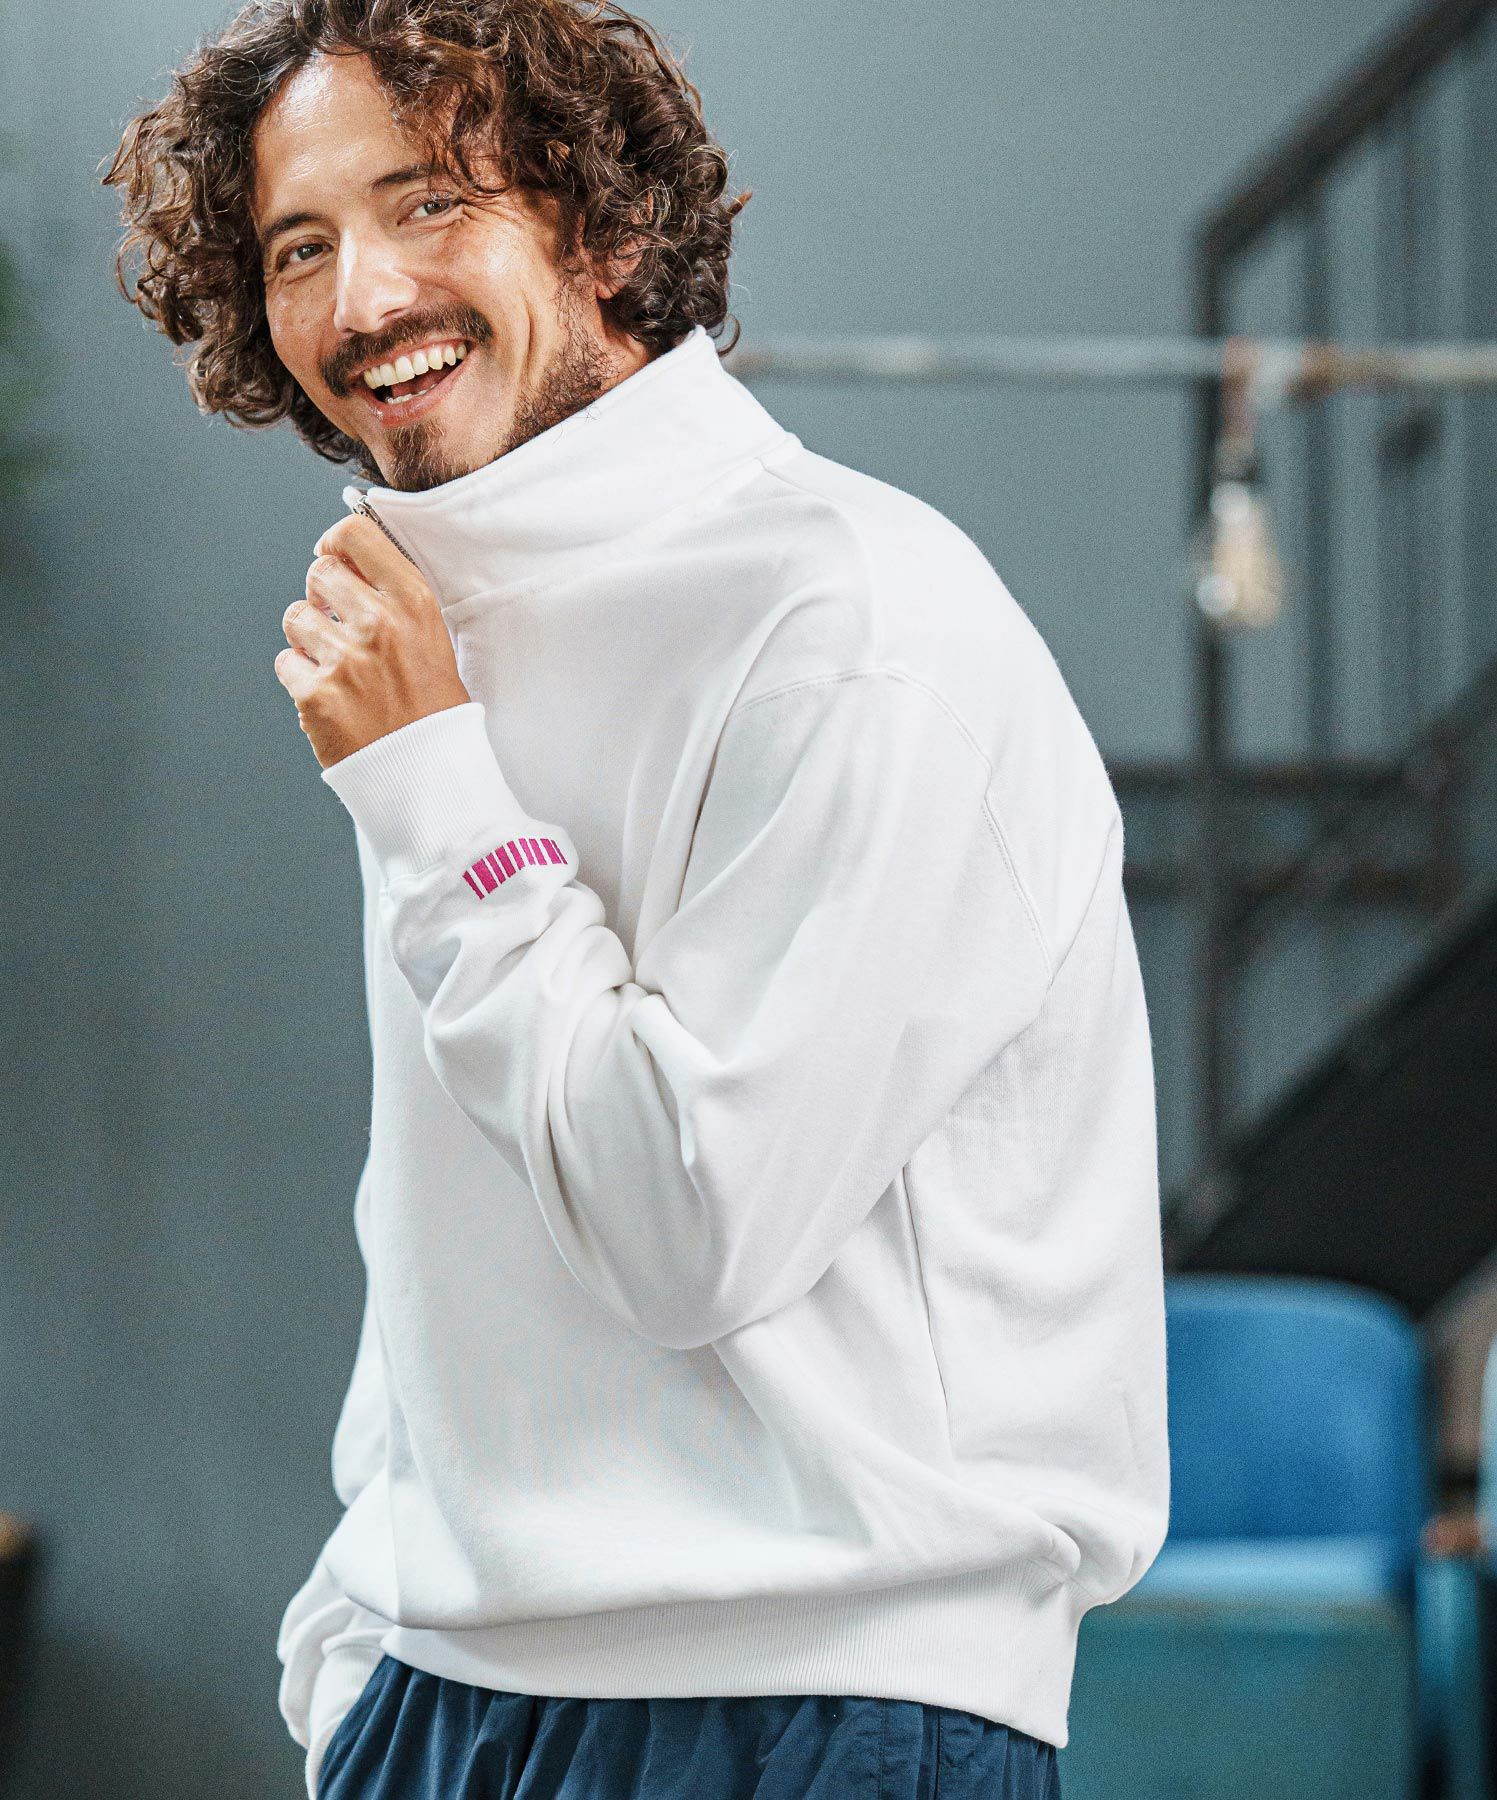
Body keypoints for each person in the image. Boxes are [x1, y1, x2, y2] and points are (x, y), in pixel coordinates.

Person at [102, 3, 1170, 1795]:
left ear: (604, 226)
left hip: (813, 1701)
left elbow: (691, 1230)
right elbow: (456, 1198)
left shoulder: (857, 626)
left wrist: (436, 788)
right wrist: (361, 1627)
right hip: (439, 1695)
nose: (362, 298)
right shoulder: (433, 613)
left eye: (430, 202)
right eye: (299, 245)